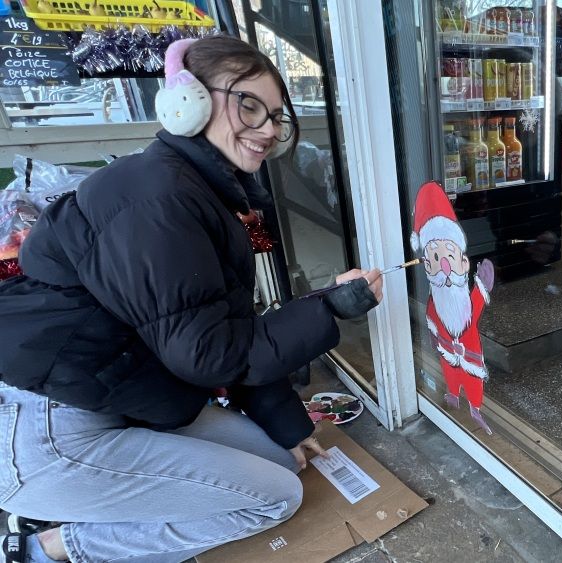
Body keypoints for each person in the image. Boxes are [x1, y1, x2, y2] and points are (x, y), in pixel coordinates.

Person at [0, 35, 382, 563]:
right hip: (53, 430)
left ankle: (97, 500)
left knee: (282, 459)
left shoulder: (193, 190)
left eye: (277, 116)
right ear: (188, 101)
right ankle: (47, 545)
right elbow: (210, 356)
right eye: (249, 105)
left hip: (121, 394)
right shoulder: (157, 199)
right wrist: (327, 308)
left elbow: (226, 326)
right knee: (276, 498)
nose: (268, 130)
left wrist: (290, 429)